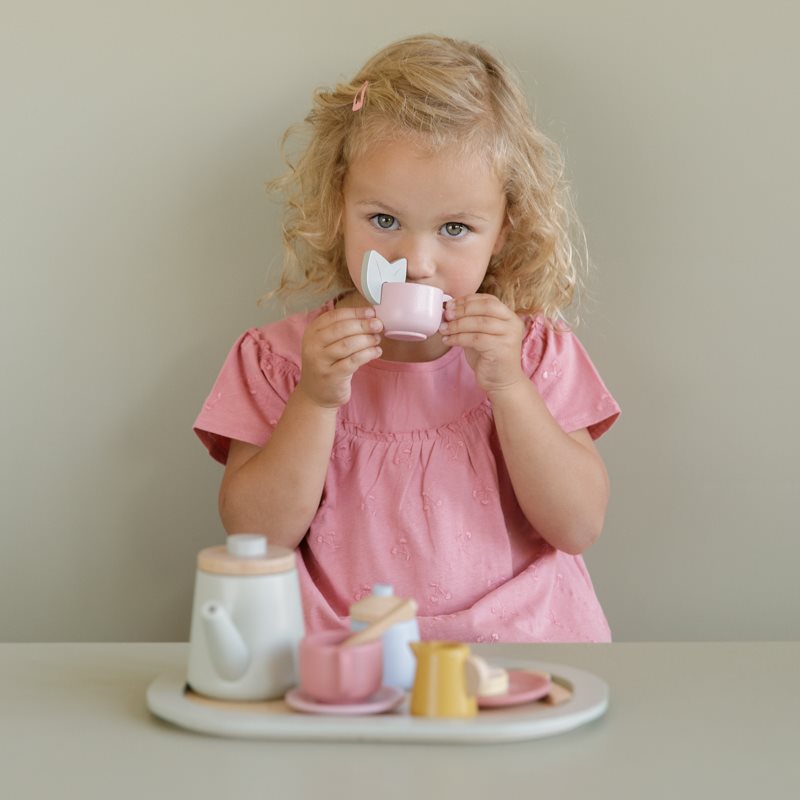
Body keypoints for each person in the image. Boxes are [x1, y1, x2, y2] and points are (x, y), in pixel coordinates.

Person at [194, 34, 620, 642]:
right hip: (344, 660)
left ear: (502, 231)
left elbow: (577, 526)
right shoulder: (282, 362)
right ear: (339, 205)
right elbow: (254, 538)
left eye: (454, 227)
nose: (416, 261)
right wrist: (315, 399)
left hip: (518, 649)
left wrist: (509, 387)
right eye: (384, 220)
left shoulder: (532, 354)